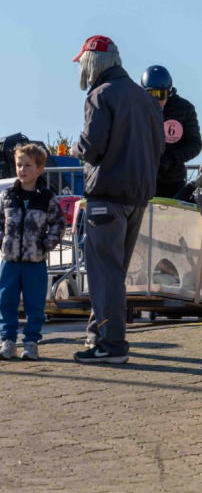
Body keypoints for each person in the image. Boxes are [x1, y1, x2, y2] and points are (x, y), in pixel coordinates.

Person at [70, 36, 164, 364]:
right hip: (137, 196)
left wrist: (75, 148)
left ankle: (111, 345)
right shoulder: (146, 98)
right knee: (114, 273)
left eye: (83, 64)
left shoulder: (101, 95)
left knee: (104, 274)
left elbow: (92, 146)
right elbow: (159, 147)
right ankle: (99, 337)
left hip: (106, 197)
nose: (81, 70)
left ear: (92, 63)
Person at [0, 144, 67, 361]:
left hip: (35, 262)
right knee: (6, 302)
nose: (22, 169)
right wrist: (1, 240)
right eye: (19, 165)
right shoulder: (7, 196)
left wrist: (45, 244)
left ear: (40, 169)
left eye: (28, 165)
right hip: (10, 261)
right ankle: (8, 342)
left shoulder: (47, 197)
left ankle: (31, 343)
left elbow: (59, 224)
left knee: (35, 304)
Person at [140, 65, 201, 199]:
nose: (156, 100)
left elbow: (195, 144)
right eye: (151, 94)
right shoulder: (134, 108)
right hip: (141, 180)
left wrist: (170, 159)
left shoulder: (184, 109)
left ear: (170, 92)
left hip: (172, 182)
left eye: (161, 95)